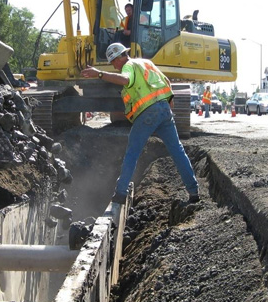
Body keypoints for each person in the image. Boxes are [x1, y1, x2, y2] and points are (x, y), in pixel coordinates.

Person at [80, 43, 199, 204]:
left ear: (118, 58)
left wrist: (99, 74)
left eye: (113, 62)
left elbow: (125, 79)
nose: (114, 66)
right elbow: (166, 82)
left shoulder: (128, 66)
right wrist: (168, 104)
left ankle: (120, 194)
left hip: (147, 114)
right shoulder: (146, 63)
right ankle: (193, 192)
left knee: (132, 153)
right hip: (164, 110)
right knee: (177, 151)